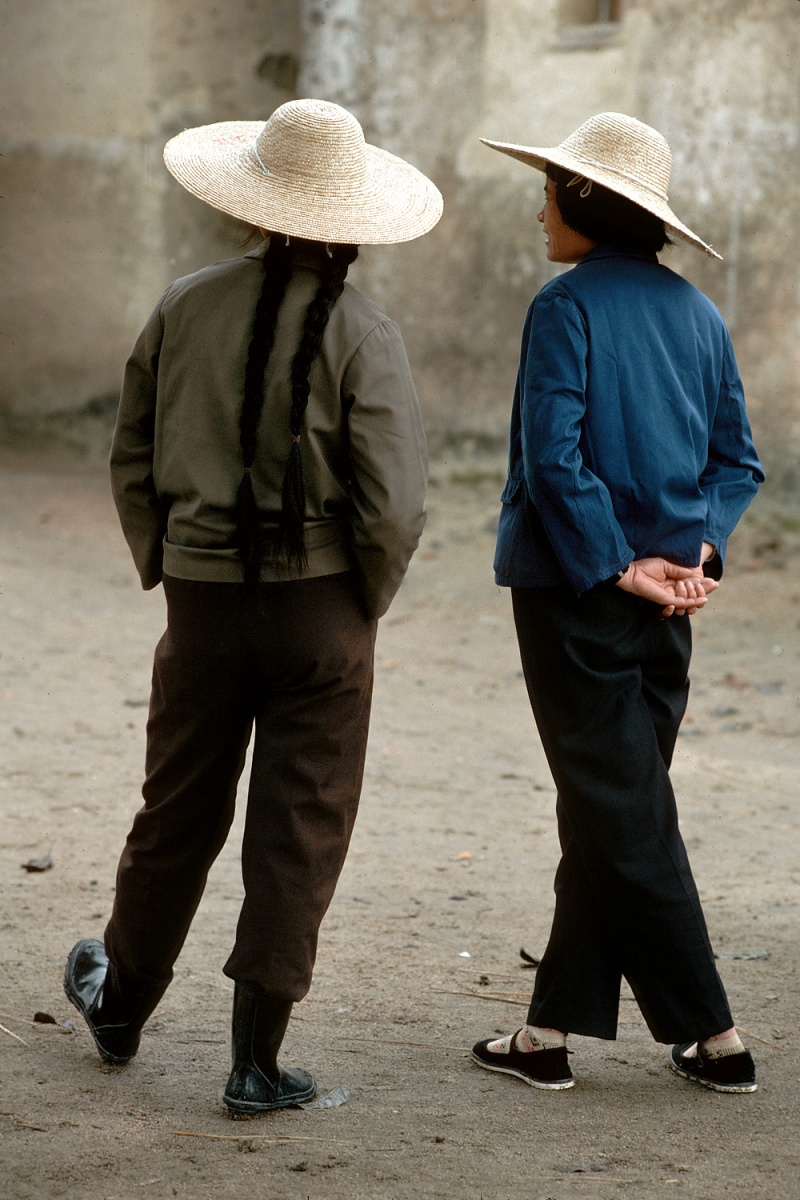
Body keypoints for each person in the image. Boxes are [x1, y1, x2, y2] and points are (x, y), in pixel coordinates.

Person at [63, 98, 442, 1116]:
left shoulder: (183, 304)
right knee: (300, 824)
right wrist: (360, 602)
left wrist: (169, 560)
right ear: (353, 219)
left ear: (252, 206)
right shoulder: (365, 332)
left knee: (176, 806)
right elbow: (395, 503)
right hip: (322, 611)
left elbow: (131, 451)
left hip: (200, 603)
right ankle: (255, 1061)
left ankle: (121, 1005)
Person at [470, 112, 764, 1094]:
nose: (537, 208)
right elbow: (737, 464)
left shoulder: (564, 308)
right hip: (665, 603)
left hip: (577, 592)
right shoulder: (699, 315)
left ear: (586, 205)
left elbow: (550, 461)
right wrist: (696, 552)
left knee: (618, 807)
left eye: (548, 192)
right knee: (613, 803)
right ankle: (548, 1032)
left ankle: (713, 1036)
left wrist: (615, 564)